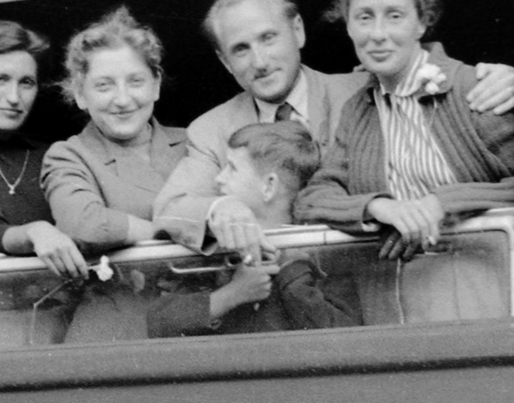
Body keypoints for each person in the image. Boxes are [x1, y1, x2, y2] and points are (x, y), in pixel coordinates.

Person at [153, 0, 514, 261]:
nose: (260, 60)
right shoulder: (211, 129)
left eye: (268, 37)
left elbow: (422, 67)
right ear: (223, 61)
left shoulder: (364, 91)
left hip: (378, 281)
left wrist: (512, 80)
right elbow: (170, 209)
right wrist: (219, 209)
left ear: (297, 30)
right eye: (241, 49)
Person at [292, 0, 514, 322]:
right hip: (389, 308)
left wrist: (441, 204)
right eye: (364, 17)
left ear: (422, 22)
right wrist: (382, 208)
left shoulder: (471, 88)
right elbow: (312, 200)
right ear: (347, 25)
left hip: (480, 298)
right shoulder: (358, 110)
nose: (377, 34)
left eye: (394, 15)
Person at [147, 121, 358, 338]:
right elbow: (158, 323)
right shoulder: (215, 246)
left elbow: (346, 337)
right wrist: (231, 295)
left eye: (232, 168)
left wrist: (291, 273)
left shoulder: (324, 254)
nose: (219, 179)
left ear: (269, 186)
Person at [40, 6, 188, 250]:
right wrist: (175, 234)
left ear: (156, 85)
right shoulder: (69, 156)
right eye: (104, 85)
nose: (122, 99)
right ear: (80, 95)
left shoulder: (193, 141)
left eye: (135, 81)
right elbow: (83, 225)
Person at [0, 20, 87, 280]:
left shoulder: (56, 153)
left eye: (27, 83)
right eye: (0, 79)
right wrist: (36, 232)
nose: (13, 97)